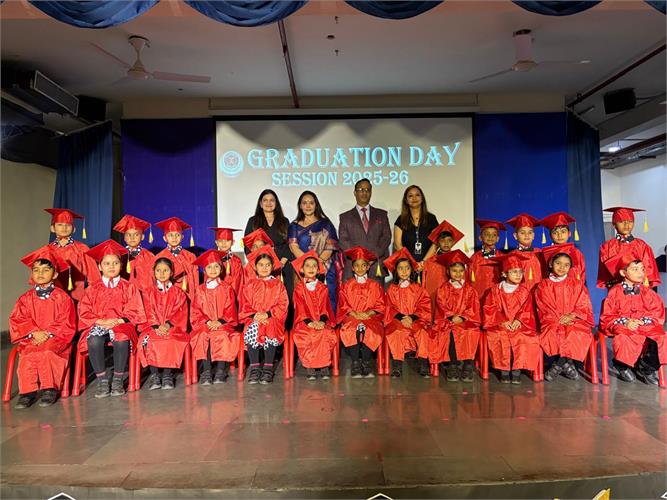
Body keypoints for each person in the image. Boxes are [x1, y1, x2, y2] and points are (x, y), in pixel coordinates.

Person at [77, 240, 146, 398]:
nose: (111, 266)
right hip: (99, 323)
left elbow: (136, 309)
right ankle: (102, 380)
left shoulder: (128, 287)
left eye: (115, 263)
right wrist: (101, 321)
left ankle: (117, 379)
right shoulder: (92, 288)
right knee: (94, 340)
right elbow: (84, 311)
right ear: (100, 266)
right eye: (107, 263)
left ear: (121, 266)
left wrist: (119, 321)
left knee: (121, 339)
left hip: (121, 324)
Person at [9, 247, 76, 409]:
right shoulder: (25, 299)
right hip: (32, 338)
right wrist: (33, 332)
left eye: (46, 270)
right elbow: (18, 319)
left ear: (55, 274)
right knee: (27, 354)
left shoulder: (62, 297)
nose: (40, 273)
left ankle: (49, 389)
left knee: (47, 352)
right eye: (36, 270)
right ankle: (27, 392)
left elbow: (66, 321)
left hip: (56, 339)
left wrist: (48, 333)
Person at [599, 250, 665, 385]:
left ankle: (647, 367)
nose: (640, 272)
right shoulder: (615, 292)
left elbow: (657, 311)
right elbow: (607, 315)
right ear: (623, 273)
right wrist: (626, 322)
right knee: (624, 338)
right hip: (623, 326)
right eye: (635, 269)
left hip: (644, 325)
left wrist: (643, 321)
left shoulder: (647, 292)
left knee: (661, 337)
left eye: (642, 269)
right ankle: (621, 365)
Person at [535, 244, 594, 382]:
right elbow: (544, 306)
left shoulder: (577, 284)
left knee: (575, 332)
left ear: (570, 267)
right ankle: (566, 365)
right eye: (558, 263)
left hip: (574, 319)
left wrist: (572, 315)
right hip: (552, 320)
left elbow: (583, 304)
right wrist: (559, 319)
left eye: (566, 265)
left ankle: (558, 365)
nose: (562, 267)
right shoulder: (543, 285)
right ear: (551, 264)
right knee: (554, 332)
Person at [482, 253, 541, 384]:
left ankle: (516, 369)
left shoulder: (524, 291)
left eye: (520, 272)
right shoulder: (495, 290)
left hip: (520, 325)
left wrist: (519, 320)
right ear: (504, 274)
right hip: (499, 325)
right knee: (501, 336)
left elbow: (528, 309)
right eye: (514, 272)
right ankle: (504, 370)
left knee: (523, 337)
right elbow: (490, 308)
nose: (518, 275)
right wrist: (502, 321)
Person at [138, 256, 190, 390]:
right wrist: (156, 326)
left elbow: (180, 312)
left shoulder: (178, 293)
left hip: (173, 327)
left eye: (165, 270)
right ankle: (154, 374)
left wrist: (167, 325)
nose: (161, 274)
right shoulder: (148, 292)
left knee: (170, 339)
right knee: (151, 340)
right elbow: (147, 311)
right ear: (154, 272)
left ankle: (167, 375)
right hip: (151, 327)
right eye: (158, 270)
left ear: (171, 273)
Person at [239, 246, 289, 385]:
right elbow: (244, 304)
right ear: (255, 267)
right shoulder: (249, 285)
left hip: (272, 318)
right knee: (252, 328)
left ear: (273, 266)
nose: (264, 268)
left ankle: (268, 368)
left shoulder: (278, 284)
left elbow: (283, 304)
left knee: (270, 327)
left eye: (268, 265)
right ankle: (255, 368)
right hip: (253, 318)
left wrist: (268, 314)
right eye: (261, 265)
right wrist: (254, 315)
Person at [190, 250, 240, 385]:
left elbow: (230, 308)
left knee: (221, 335)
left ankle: (220, 370)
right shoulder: (200, 289)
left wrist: (220, 321)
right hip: (204, 324)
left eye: (216, 266)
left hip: (223, 324)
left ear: (221, 268)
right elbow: (195, 310)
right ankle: (206, 371)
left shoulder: (227, 288)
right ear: (204, 270)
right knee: (202, 336)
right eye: (209, 267)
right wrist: (207, 321)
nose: (213, 270)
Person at [430, 250, 481, 383]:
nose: (458, 274)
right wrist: (452, 317)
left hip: (467, 320)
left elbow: (473, 307)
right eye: (454, 271)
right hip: (448, 320)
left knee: (470, 331)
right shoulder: (443, 289)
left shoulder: (470, 290)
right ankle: (452, 365)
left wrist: (462, 317)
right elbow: (441, 305)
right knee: (449, 332)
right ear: (448, 272)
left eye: (460, 271)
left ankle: (468, 364)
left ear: (464, 271)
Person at [336, 246, 385, 378]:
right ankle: (355, 362)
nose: (360, 268)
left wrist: (369, 313)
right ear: (352, 268)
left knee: (372, 330)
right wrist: (355, 314)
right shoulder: (347, 285)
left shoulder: (375, 285)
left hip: (371, 317)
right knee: (352, 329)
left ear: (368, 267)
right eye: (356, 266)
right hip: (352, 316)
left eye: (363, 265)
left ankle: (366, 362)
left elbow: (380, 304)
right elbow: (343, 304)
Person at [383, 248, 432, 378]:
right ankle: (397, 365)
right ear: (396, 271)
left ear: (411, 270)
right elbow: (389, 307)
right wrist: (401, 317)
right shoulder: (392, 289)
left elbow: (424, 306)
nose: (404, 271)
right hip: (397, 321)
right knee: (397, 332)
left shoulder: (418, 288)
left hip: (416, 320)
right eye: (401, 268)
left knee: (422, 332)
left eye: (407, 268)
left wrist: (412, 317)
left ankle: (423, 363)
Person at [288, 191, 340, 310]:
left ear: (316, 205)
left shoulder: (326, 224)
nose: (308, 206)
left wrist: (318, 264)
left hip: (324, 268)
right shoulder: (293, 226)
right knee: (304, 304)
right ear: (300, 205)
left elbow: (330, 246)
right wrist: (308, 265)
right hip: (302, 270)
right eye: (304, 203)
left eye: (311, 203)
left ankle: (328, 321)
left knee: (327, 301)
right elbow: (294, 247)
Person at [291, 250, 337, 381]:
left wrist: (321, 321)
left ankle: (324, 366)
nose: (311, 268)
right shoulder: (299, 288)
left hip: (321, 320)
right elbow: (300, 308)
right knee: (307, 334)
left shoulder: (323, 287)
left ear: (318, 270)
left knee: (325, 333)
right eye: (307, 266)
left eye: (314, 266)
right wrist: (309, 322)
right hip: (304, 322)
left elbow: (325, 307)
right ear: (302, 270)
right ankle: (310, 367)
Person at [338, 179, 392, 283]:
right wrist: (360, 258)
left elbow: (386, 237)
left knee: (377, 294)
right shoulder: (345, 217)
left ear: (371, 192)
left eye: (367, 190)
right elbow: (343, 241)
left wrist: (371, 257)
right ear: (355, 192)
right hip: (354, 268)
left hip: (376, 265)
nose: (364, 192)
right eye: (361, 189)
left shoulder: (382, 214)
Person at [42, 208, 100, 302]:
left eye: (68, 225)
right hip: (53, 298)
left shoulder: (82, 249)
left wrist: (93, 298)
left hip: (77, 297)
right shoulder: (46, 251)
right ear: (52, 228)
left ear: (74, 229)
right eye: (60, 224)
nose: (64, 228)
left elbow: (94, 277)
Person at [244, 189, 293, 298]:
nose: (268, 203)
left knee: (283, 298)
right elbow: (248, 246)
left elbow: (289, 244)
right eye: (265, 200)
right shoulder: (253, 221)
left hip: (282, 265)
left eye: (272, 200)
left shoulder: (284, 221)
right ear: (260, 204)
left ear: (276, 203)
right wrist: (259, 266)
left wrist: (282, 262)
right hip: (261, 268)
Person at [597, 207, 660, 289]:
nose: (626, 225)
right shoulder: (607, 247)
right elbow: (605, 276)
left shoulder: (642, 245)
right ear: (614, 224)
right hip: (617, 290)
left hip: (639, 290)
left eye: (630, 221)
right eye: (621, 221)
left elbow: (649, 271)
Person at [422, 219, 464, 315]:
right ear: (437, 242)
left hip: (452, 302)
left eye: (449, 240)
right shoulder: (430, 262)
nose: (446, 243)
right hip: (433, 296)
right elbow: (424, 284)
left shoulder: (458, 261)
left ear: (453, 242)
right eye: (442, 240)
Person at [393, 185, 439, 268]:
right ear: (406, 200)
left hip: (429, 265)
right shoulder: (401, 219)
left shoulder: (431, 219)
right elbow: (397, 245)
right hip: (407, 267)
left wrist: (423, 262)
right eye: (410, 196)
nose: (414, 198)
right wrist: (412, 263)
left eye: (417, 195)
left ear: (422, 198)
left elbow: (436, 243)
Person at [153, 217, 199, 299]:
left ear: (182, 237)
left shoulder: (191, 256)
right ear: (164, 238)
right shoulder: (159, 257)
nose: (174, 238)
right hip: (166, 296)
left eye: (177, 235)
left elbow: (195, 280)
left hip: (187, 293)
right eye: (170, 235)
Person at [113, 214, 155, 295]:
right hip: (124, 295)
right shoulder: (119, 256)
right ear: (124, 238)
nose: (132, 238)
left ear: (142, 237)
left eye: (136, 234)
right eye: (128, 235)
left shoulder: (150, 256)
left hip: (145, 296)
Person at [539, 211, 587, 282]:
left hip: (573, 287)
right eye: (555, 233)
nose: (560, 235)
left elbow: (581, 275)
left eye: (563, 231)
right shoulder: (545, 254)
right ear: (550, 235)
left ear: (569, 233)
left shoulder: (576, 253)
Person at [468, 219, 506, 302]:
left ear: (498, 238)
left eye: (494, 235)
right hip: (479, 295)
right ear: (480, 238)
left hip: (497, 296)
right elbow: (469, 279)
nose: (490, 237)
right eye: (487, 234)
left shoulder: (503, 257)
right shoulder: (474, 258)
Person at [505, 213, 544, 291]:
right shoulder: (511, 256)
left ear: (533, 235)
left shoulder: (541, 253)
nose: (527, 235)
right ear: (515, 236)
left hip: (539, 292)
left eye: (530, 232)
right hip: (519, 293)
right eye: (522, 233)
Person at [210, 227, 244, 296]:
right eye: (220, 241)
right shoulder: (212, 259)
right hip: (215, 295)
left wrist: (229, 295)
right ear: (216, 242)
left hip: (232, 295)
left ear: (233, 242)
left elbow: (239, 282)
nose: (224, 243)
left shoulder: (236, 261)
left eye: (227, 240)